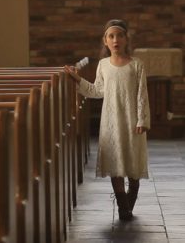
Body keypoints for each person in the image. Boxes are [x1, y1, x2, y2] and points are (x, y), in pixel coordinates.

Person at [64, 19, 150, 221]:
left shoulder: (137, 65)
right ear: (105, 41)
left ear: (126, 38)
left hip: (132, 121)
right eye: (111, 36)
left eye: (119, 35)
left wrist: (141, 119)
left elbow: (142, 94)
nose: (115, 40)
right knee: (115, 161)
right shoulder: (103, 65)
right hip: (111, 121)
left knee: (133, 166)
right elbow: (97, 90)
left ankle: (131, 197)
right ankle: (123, 208)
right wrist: (77, 79)